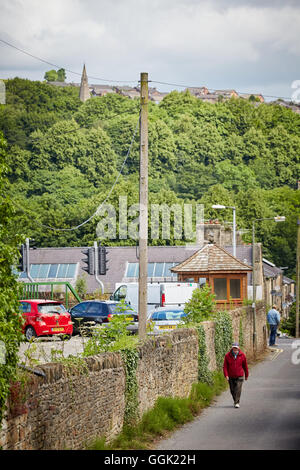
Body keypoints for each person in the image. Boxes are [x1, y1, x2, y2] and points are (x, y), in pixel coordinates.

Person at [223, 342, 249, 408]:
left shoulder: (242, 355)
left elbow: (245, 366)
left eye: (236, 349)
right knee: (232, 390)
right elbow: (225, 367)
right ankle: (235, 400)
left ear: (238, 349)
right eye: (234, 349)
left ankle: (237, 402)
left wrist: (246, 375)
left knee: (238, 388)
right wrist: (226, 375)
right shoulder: (227, 356)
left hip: (239, 375)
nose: (235, 350)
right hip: (231, 376)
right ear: (232, 348)